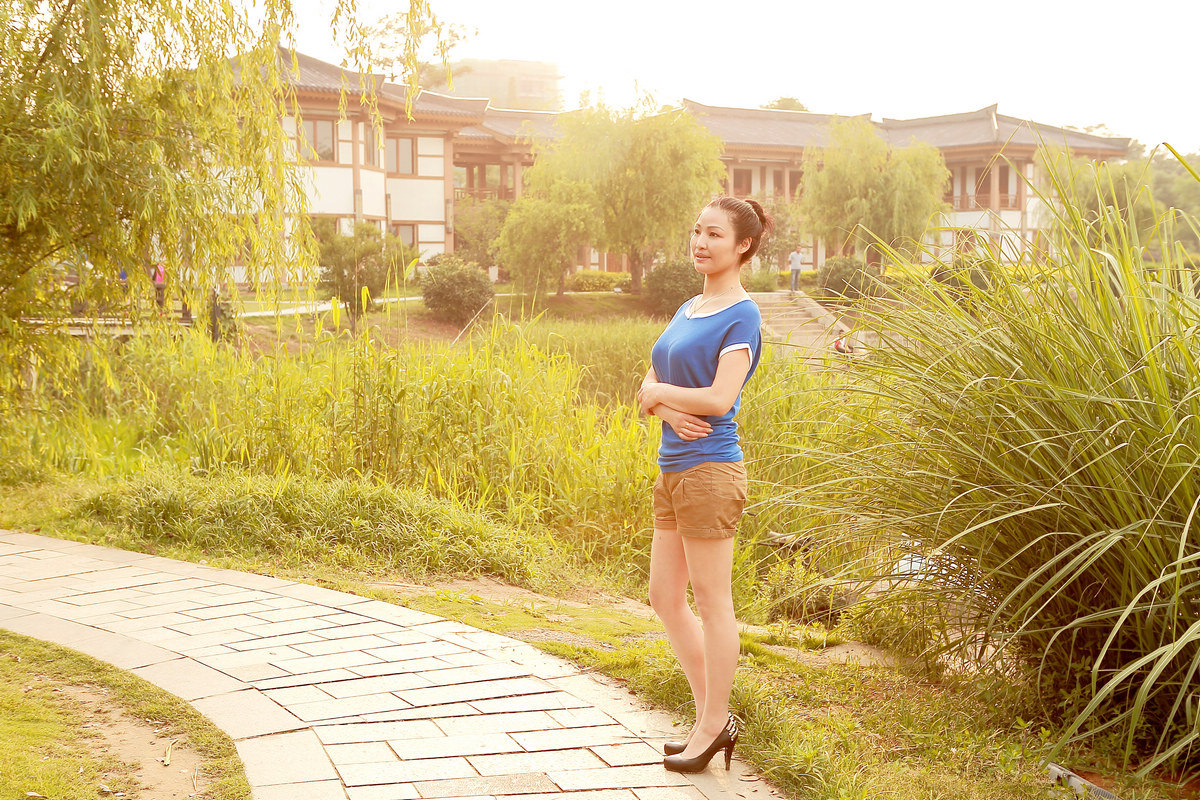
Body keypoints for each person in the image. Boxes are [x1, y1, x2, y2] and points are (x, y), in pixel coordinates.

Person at [637, 195, 771, 774]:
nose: (700, 242)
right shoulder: (689, 306)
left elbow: (719, 398)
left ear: (742, 245)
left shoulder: (743, 315)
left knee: (713, 603)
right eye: (697, 230)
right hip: (673, 469)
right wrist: (663, 406)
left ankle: (714, 724)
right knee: (664, 597)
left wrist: (657, 395)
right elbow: (648, 385)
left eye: (714, 234)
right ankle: (708, 719)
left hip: (711, 470)